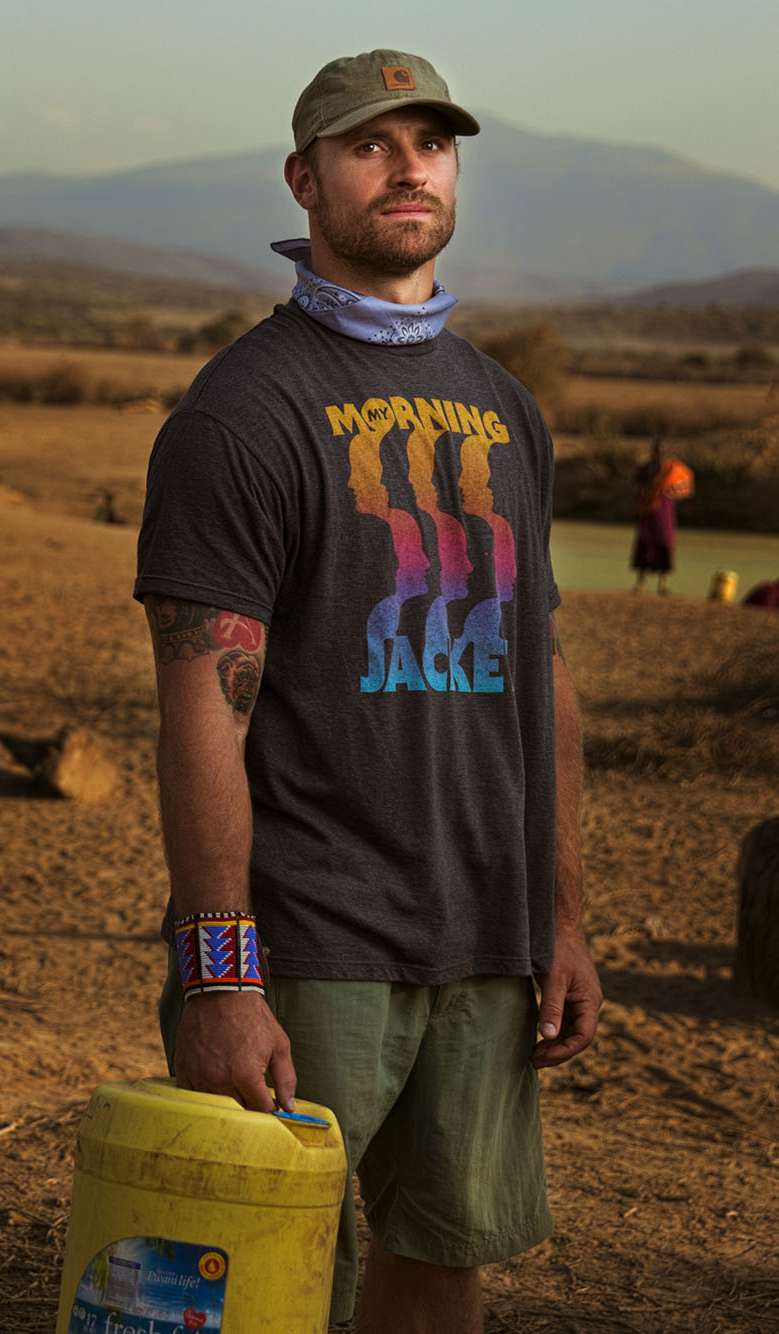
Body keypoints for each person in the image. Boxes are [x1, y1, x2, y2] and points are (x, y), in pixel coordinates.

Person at [131, 51, 601, 1332]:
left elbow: (540, 678)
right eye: (367, 144)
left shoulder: (506, 411)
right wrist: (220, 974)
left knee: (439, 1257)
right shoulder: (241, 414)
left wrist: (554, 917)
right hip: (311, 941)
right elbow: (201, 706)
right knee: (256, 1279)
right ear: (304, 178)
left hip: (482, 939)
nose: (407, 167)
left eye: (431, 143)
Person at [631, 436, 693, 595]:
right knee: (645, 543)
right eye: (657, 451)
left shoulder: (672, 469)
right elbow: (637, 484)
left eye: (662, 451)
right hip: (648, 509)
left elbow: (685, 487)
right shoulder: (646, 469)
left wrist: (671, 493)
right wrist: (644, 495)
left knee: (665, 544)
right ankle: (640, 584)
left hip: (665, 510)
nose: (659, 454)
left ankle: (662, 585)